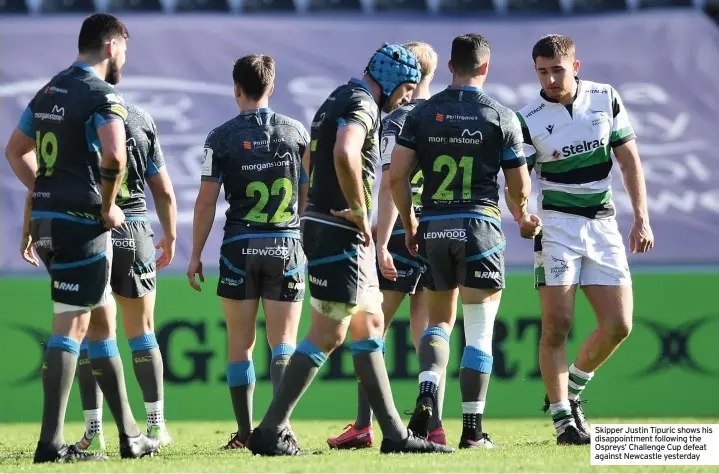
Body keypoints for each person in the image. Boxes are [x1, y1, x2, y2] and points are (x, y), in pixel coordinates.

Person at [247, 43, 453, 456]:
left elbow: (310, 159)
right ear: (395, 81)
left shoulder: (336, 97)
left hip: (324, 222)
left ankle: (393, 434)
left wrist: (313, 206)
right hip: (340, 228)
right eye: (407, 89)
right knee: (328, 333)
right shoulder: (363, 103)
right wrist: (359, 210)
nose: (407, 98)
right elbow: (345, 151)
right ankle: (270, 429)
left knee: (369, 325)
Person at [5, 13, 160, 462]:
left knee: (102, 321)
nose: (124, 60)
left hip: (49, 224)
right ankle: (50, 443)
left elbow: (16, 150)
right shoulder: (102, 95)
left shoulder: (49, 90)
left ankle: (131, 436)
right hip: (81, 224)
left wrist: (44, 191)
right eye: (125, 51)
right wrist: (108, 205)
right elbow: (114, 154)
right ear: (111, 46)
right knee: (71, 324)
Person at [390, 33, 540, 449]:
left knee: (438, 323)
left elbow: (397, 176)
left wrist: (410, 220)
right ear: (485, 68)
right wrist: (520, 214)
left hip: (434, 225)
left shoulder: (420, 114)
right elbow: (519, 184)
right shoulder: (501, 116)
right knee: (479, 331)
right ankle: (472, 431)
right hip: (479, 227)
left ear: (451, 67)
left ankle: (426, 392)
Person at [510, 34, 653, 446]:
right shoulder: (528, 117)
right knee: (558, 325)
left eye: (558, 69)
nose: (551, 78)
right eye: (542, 71)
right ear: (535, 70)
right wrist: (521, 215)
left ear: (576, 65)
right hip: (556, 227)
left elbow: (628, 160)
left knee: (619, 324)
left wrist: (641, 217)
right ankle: (562, 422)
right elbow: (517, 179)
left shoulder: (605, 97)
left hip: (603, 223)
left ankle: (570, 392)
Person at [326, 41, 449, 450]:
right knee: (431, 330)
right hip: (440, 229)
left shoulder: (397, 117)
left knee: (369, 329)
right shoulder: (445, 114)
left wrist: (381, 242)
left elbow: (389, 183)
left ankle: (363, 425)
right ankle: (433, 426)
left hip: (401, 231)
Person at [187, 54, 308, 450]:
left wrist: (194, 255)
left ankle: (243, 434)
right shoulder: (296, 133)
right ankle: (279, 429)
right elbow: (310, 194)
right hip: (286, 245)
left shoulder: (219, 138)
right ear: (271, 88)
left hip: (239, 246)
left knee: (240, 344)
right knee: (284, 343)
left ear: (235, 89)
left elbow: (205, 203)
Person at [73, 103, 177, 452]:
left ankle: (93, 431)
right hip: (133, 229)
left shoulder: (75, 115)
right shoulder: (140, 118)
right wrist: (172, 236)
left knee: (91, 334)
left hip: (88, 231)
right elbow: (162, 190)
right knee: (142, 331)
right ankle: (156, 426)